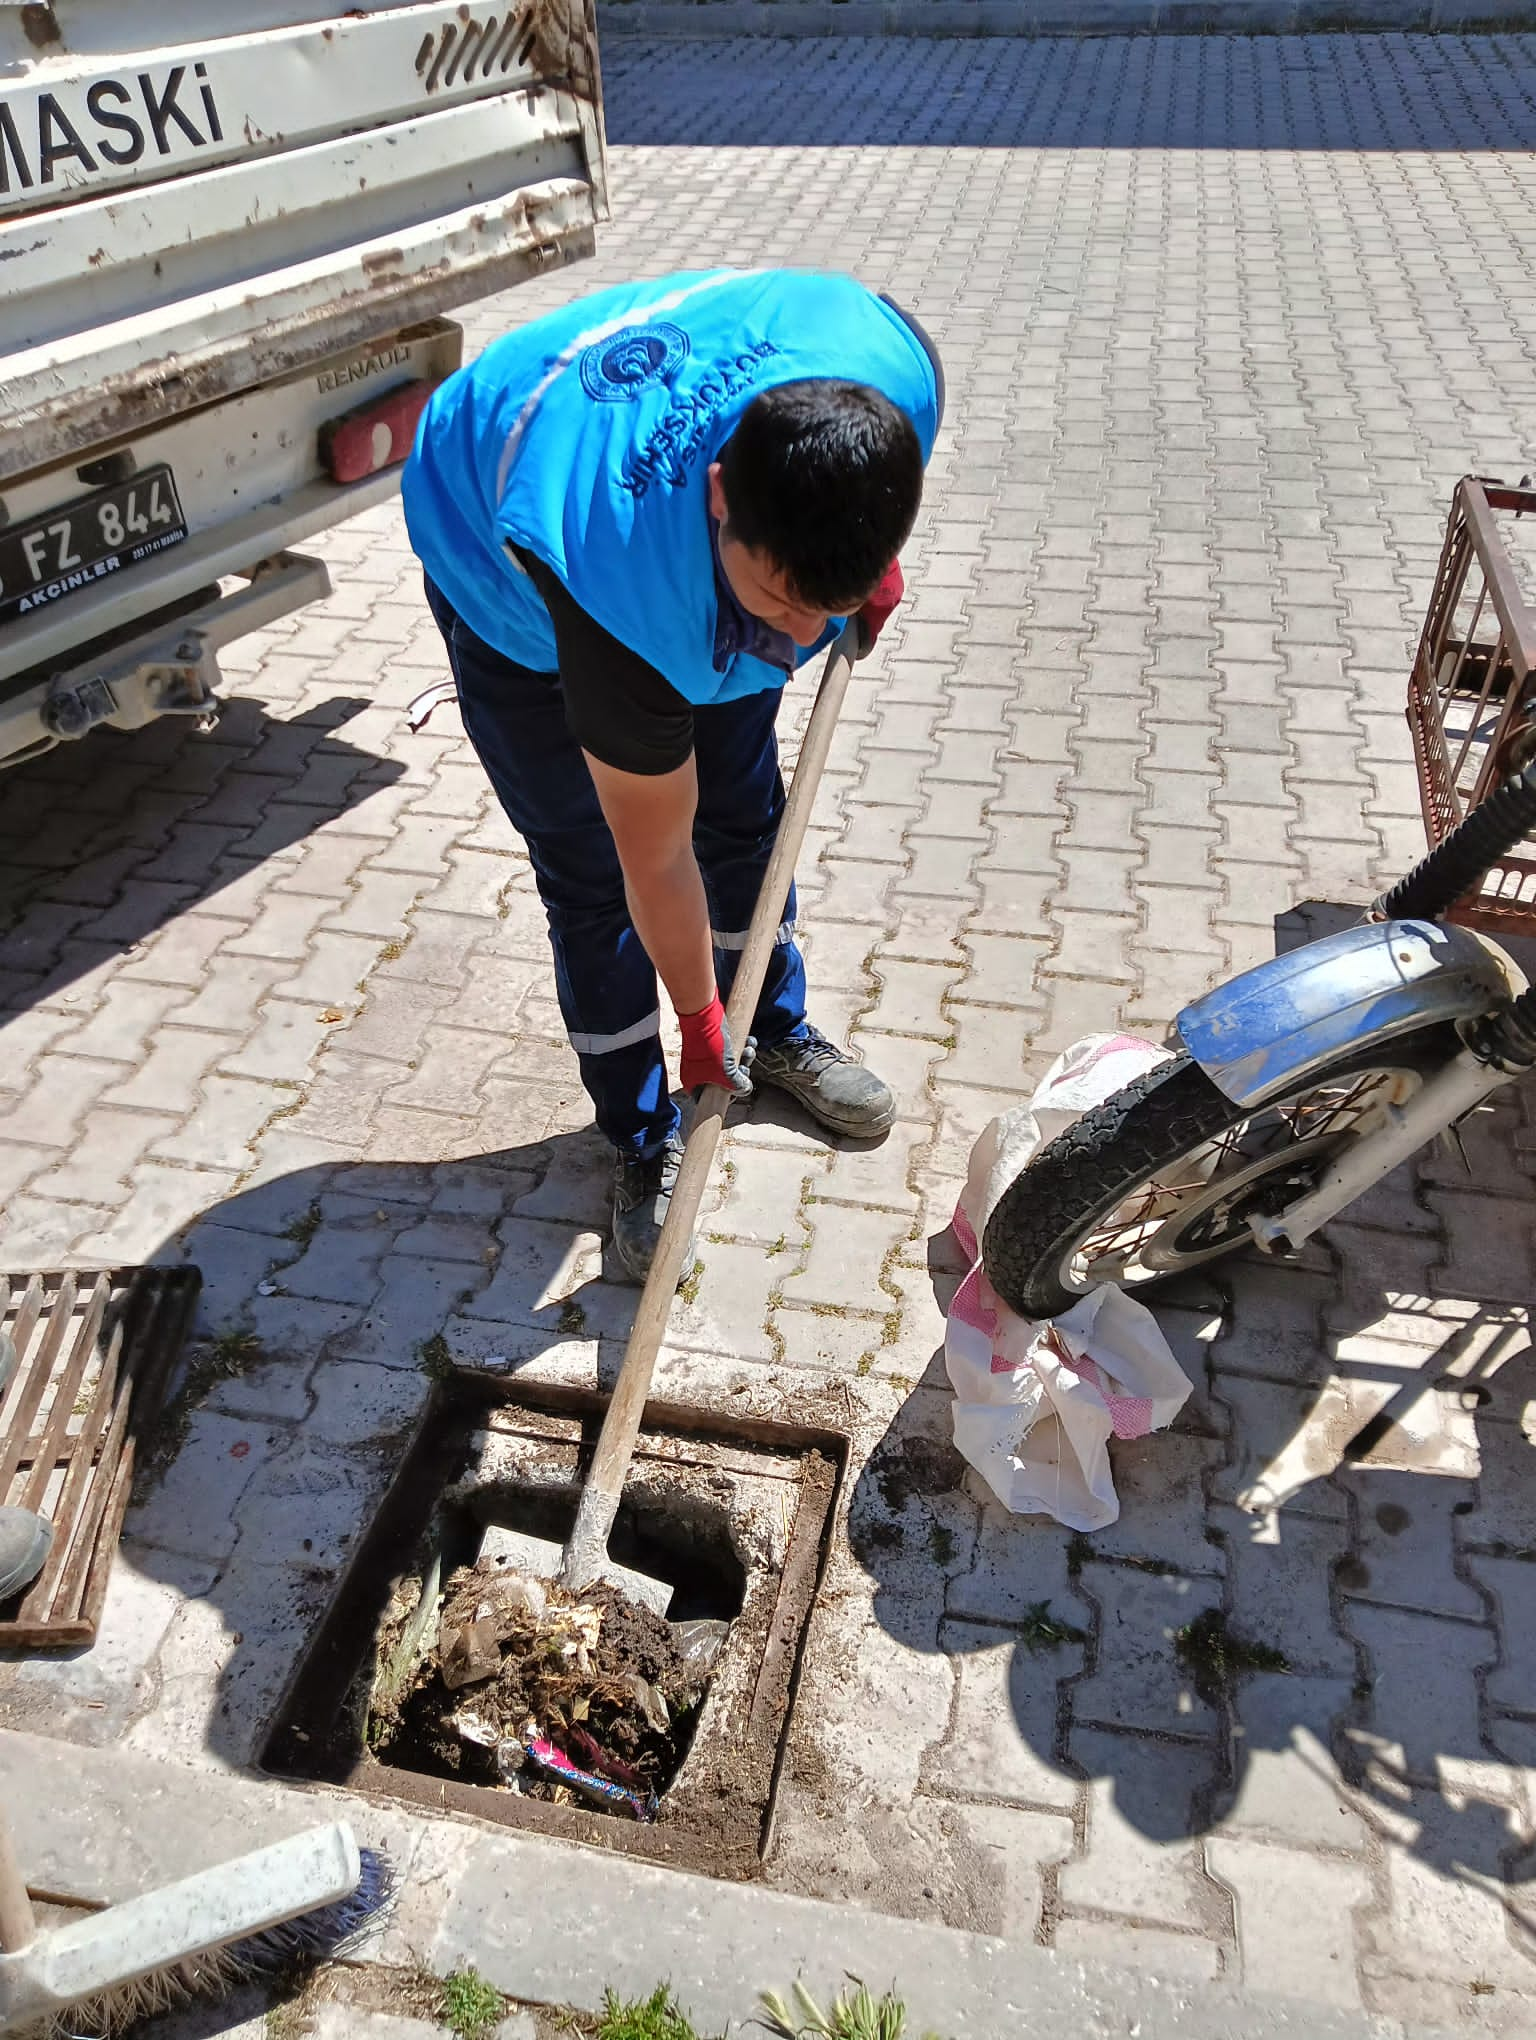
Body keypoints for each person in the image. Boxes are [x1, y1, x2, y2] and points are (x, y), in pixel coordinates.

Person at [402, 267, 942, 1281]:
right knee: (592, 868)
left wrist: (854, 576)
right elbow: (654, 859)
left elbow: (811, 563)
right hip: (505, 562)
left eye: (822, 609)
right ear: (721, 496)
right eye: (785, 602)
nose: (797, 641)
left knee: (742, 815)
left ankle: (768, 1031)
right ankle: (641, 1130)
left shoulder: (888, 366)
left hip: (679, 556)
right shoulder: (617, 587)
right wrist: (691, 1018)